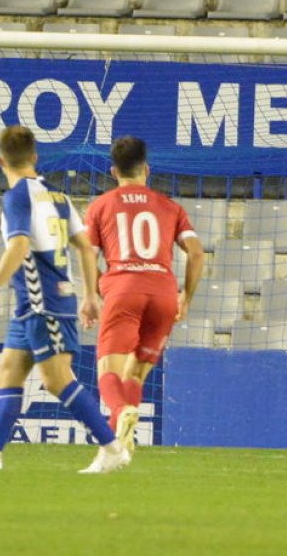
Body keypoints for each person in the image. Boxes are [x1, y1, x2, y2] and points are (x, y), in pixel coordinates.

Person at [0, 125, 130, 473]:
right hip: (31, 303)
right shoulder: (58, 197)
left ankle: (112, 446)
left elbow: (19, 245)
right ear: (35, 158)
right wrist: (90, 295)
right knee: (10, 371)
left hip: (43, 302)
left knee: (56, 379)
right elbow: (86, 247)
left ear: (0, 160)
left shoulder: (16, 197)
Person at [85, 136, 204, 452]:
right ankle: (117, 447)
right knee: (134, 375)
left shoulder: (100, 206)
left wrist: (94, 292)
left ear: (113, 172)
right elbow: (196, 253)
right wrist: (186, 298)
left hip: (124, 291)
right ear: (147, 170)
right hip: (164, 293)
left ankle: (121, 414)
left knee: (108, 375)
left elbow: (86, 255)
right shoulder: (170, 206)